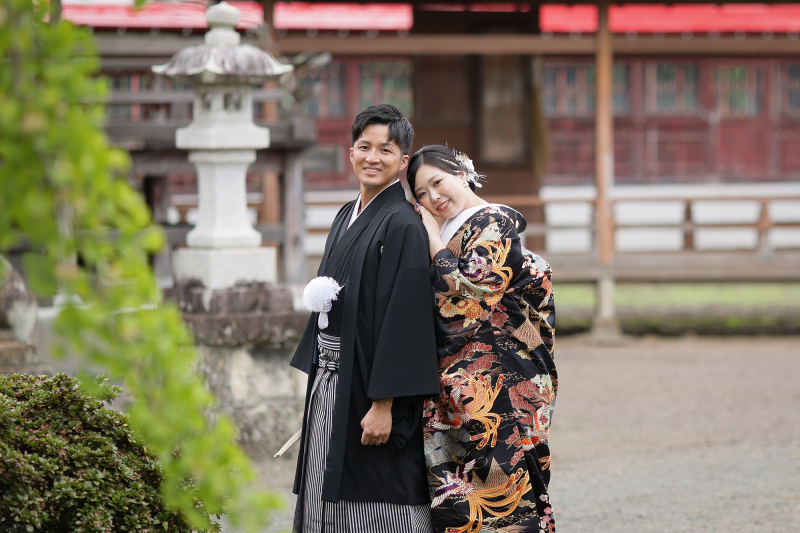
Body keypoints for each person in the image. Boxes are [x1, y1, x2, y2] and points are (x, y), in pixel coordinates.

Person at [290, 105, 440, 533]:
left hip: (371, 387)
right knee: (324, 484)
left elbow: (406, 319)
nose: (373, 157)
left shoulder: (403, 224)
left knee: (375, 494)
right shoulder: (344, 215)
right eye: (364, 147)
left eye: (385, 150)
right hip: (332, 378)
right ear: (350, 152)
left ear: (403, 161)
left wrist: (384, 404)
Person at [409, 145, 558, 533]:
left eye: (437, 182)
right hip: (463, 378)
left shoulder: (495, 219)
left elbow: (473, 288)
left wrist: (431, 239)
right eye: (421, 194)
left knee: (507, 487)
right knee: (462, 496)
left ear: (462, 173)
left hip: (505, 377)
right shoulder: (446, 231)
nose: (433, 198)